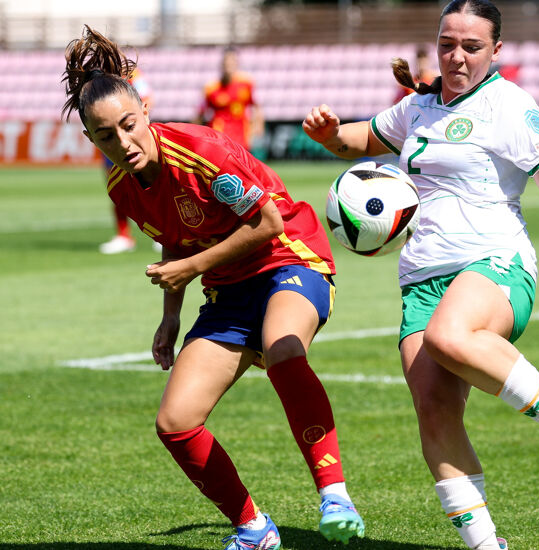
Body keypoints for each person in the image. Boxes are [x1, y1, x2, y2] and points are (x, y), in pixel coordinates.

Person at [303, 2, 539, 548]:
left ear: (496, 51)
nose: (456, 56)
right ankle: (485, 545)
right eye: (448, 43)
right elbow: (357, 141)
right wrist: (330, 133)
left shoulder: (509, 105)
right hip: (420, 277)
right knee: (434, 411)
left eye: (471, 47)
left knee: (448, 337)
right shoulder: (417, 107)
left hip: (494, 260)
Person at [62, 26, 364, 550]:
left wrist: (193, 267)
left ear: (144, 111)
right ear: (91, 139)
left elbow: (268, 223)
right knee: (175, 422)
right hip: (227, 287)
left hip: (289, 256)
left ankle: (334, 494)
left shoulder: (200, 149)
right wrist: (170, 316)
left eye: (129, 126)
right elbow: (173, 243)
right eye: (106, 135)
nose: (123, 143)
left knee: (283, 350)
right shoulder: (121, 184)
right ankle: (253, 529)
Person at [98, 67, 157, 254]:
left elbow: (147, 99)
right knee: (116, 186)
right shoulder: (101, 78)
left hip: (131, 137)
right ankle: (123, 235)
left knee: (151, 186)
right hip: (111, 140)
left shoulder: (133, 75)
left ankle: (163, 233)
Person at [199, 47, 265, 152]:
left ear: (237, 63)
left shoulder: (246, 83)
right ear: (222, 64)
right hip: (219, 136)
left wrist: (258, 125)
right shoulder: (211, 88)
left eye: (232, 61)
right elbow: (200, 113)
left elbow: (256, 106)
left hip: (241, 135)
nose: (229, 64)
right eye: (226, 61)